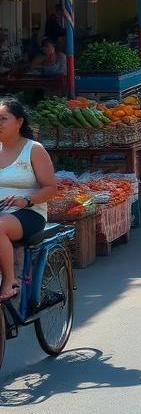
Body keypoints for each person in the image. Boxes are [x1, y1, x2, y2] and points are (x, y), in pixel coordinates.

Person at [0, 98, 57, 302]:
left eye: (3, 119)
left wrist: (27, 200)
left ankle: (9, 280)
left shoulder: (34, 149)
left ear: (19, 122)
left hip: (28, 214)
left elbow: (51, 188)